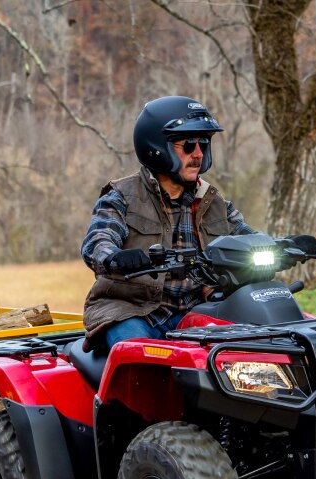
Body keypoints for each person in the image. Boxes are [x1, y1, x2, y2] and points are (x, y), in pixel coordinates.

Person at [80, 96, 257, 348]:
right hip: (131, 311)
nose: (198, 154)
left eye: (203, 145)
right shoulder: (122, 196)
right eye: (188, 146)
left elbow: (246, 234)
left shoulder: (212, 202)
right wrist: (114, 257)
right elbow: (98, 240)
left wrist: (276, 245)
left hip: (196, 310)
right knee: (141, 360)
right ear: (156, 147)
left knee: (253, 347)